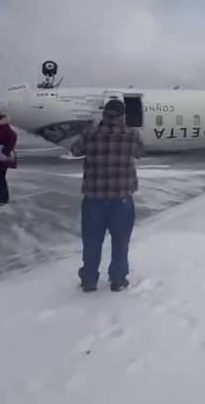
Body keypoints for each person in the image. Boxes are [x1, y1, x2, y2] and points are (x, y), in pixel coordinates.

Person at [71, 99, 143, 292]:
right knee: (120, 241)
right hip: (122, 199)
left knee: (92, 241)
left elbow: (75, 150)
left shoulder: (90, 133)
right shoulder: (132, 134)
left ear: (104, 113)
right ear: (122, 115)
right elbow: (139, 152)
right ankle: (118, 279)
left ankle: (89, 279)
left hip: (94, 198)